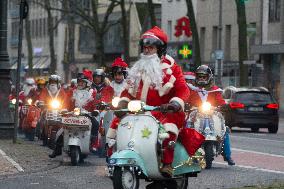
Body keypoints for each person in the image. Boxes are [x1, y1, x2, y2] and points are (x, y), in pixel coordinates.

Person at [107, 26, 189, 177]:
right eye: (145, 48)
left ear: (159, 49)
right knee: (119, 125)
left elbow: (183, 90)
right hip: (139, 112)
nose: (146, 51)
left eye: (150, 48)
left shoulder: (172, 69)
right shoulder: (138, 69)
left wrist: (175, 104)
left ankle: (167, 163)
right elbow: (127, 90)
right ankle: (115, 155)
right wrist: (123, 103)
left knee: (167, 131)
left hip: (163, 111)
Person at [186, 65, 235, 166]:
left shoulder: (215, 90)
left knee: (223, 130)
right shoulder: (192, 90)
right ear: (196, 77)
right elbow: (187, 99)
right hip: (196, 114)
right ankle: (186, 153)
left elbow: (221, 101)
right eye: (200, 77)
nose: (202, 79)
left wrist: (224, 106)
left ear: (209, 77)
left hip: (212, 114)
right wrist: (186, 105)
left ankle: (227, 155)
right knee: (186, 128)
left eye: (204, 77)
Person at [49, 70, 99, 158]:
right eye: (79, 81)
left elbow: (95, 104)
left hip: (87, 115)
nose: (80, 83)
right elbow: (65, 102)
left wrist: (95, 111)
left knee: (95, 123)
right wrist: (64, 109)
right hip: (72, 115)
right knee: (62, 129)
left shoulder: (93, 93)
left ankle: (93, 143)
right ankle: (57, 149)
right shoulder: (72, 91)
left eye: (82, 82)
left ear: (88, 83)